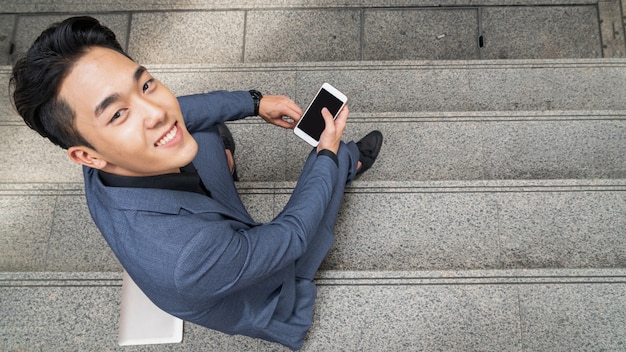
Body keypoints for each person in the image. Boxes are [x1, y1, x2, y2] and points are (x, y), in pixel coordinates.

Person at [10, 16, 382, 350]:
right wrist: (327, 153)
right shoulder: (190, 255)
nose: (158, 113)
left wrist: (255, 103)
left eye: (145, 85)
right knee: (318, 194)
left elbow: (182, 110)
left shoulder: (103, 152)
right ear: (86, 156)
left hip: (198, 219)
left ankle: (227, 163)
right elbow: (292, 234)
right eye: (119, 113)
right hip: (247, 279)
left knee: (200, 132)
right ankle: (348, 161)